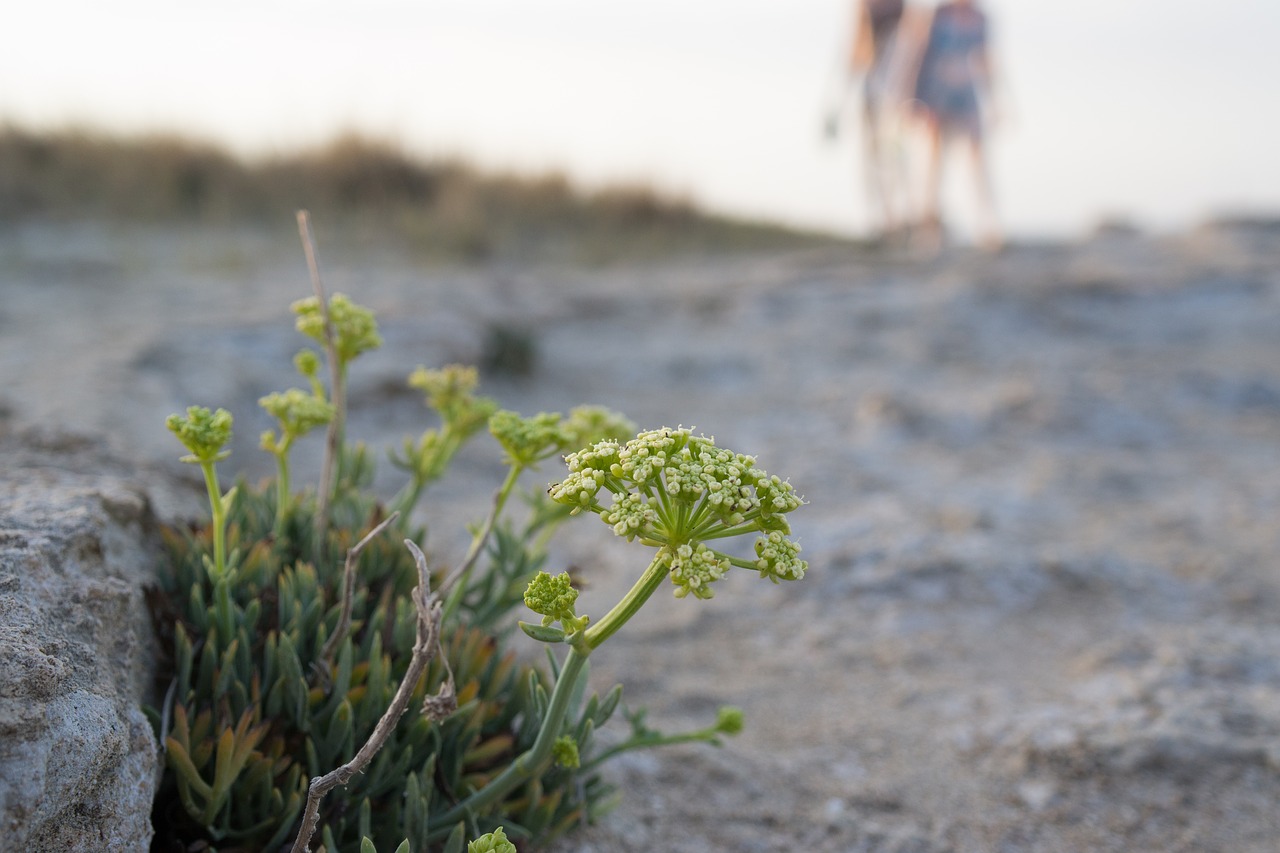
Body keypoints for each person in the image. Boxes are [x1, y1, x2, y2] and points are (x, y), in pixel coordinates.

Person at [904, 0, 1001, 250]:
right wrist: (914, 100)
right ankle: (928, 230)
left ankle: (987, 225)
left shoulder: (981, 18)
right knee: (934, 164)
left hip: (967, 94)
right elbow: (918, 57)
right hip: (937, 94)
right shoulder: (936, 15)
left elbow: (986, 59)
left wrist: (995, 100)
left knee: (978, 161)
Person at [847, 0, 909, 239]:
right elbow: (856, 48)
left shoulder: (901, 8)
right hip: (872, 91)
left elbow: (911, 48)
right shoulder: (864, 6)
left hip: (896, 95)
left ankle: (897, 215)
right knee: (873, 154)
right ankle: (880, 217)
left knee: (895, 154)